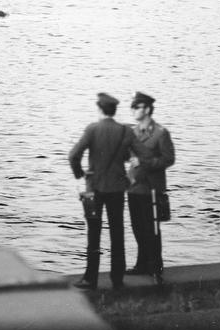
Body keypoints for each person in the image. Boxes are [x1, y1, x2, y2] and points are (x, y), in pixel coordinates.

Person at [68, 92, 150, 291]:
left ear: (100, 109)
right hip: (117, 189)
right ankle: (117, 278)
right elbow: (145, 156)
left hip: (94, 189)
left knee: (93, 233)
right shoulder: (125, 131)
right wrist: (131, 173)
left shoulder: (92, 129)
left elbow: (73, 155)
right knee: (117, 232)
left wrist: (80, 174)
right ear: (114, 111)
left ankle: (90, 278)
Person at [126, 91, 175, 285]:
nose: (133, 111)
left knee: (152, 228)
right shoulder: (133, 132)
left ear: (146, 109)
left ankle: (155, 266)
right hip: (134, 187)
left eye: (136, 107)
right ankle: (141, 264)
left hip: (151, 188)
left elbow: (169, 159)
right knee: (137, 227)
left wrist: (146, 162)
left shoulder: (160, 133)